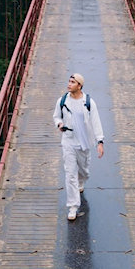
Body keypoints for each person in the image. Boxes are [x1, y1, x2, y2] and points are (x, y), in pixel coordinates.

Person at [53, 73, 105, 221]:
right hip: (68, 141)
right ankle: (73, 206)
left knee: (83, 170)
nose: (69, 84)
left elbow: (96, 122)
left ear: (79, 86)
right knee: (70, 174)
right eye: (69, 81)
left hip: (84, 143)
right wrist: (59, 124)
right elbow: (56, 116)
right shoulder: (62, 101)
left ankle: (82, 180)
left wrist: (100, 141)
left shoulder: (88, 102)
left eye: (72, 82)